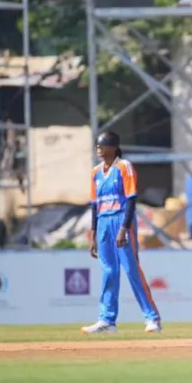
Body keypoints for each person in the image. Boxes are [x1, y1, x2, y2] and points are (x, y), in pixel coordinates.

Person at [82, 131, 162, 334]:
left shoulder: (123, 167)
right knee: (109, 271)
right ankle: (107, 320)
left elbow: (131, 199)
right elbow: (94, 205)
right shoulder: (95, 173)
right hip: (103, 222)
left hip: (120, 220)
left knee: (131, 269)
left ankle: (152, 318)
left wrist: (124, 228)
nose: (98, 149)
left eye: (102, 145)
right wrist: (93, 233)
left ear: (113, 147)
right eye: (97, 146)